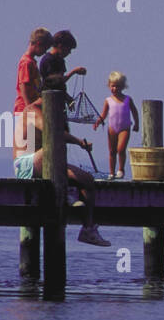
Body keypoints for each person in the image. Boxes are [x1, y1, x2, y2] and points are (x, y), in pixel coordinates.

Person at [12, 103, 111, 246]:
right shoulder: (33, 110)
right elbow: (52, 133)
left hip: (46, 165)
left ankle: (88, 229)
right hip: (26, 165)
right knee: (54, 143)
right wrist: (79, 142)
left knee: (87, 179)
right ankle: (65, 194)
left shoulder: (53, 111)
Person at [94, 71, 139, 179]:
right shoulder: (108, 100)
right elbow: (103, 115)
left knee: (121, 149)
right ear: (109, 85)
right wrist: (98, 122)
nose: (115, 89)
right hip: (112, 128)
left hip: (125, 127)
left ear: (123, 87)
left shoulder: (127, 99)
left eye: (117, 86)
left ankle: (121, 169)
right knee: (112, 151)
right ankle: (111, 172)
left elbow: (134, 111)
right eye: (113, 86)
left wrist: (137, 123)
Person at [13, 27, 54, 146]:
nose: (45, 52)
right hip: (24, 109)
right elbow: (23, 86)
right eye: (45, 48)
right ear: (38, 44)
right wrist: (29, 107)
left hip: (31, 109)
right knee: (28, 148)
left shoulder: (32, 62)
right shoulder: (26, 62)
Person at [39, 29, 86, 95]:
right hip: (49, 97)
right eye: (68, 49)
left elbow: (61, 82)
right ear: (60, 46)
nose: (69, 52)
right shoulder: (48, 60)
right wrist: (73, 71)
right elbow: (55, 82)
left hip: (59, 97)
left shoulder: (61, 60)